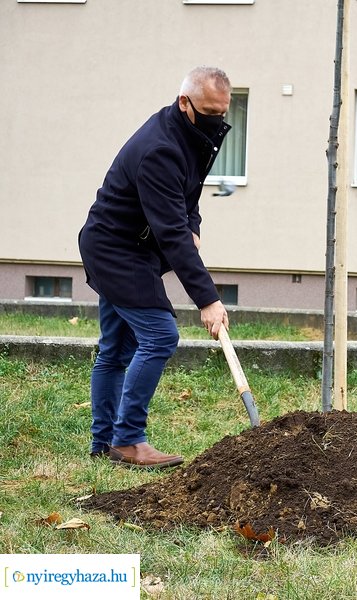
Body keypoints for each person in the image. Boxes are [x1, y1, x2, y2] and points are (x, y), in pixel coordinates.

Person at [78, 66, 233, 469]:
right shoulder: (160, 148)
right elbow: (170, 232)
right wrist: (208, 300)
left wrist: (193, 228)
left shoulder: (193, 135)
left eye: (223, 112)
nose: (218, 120)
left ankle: (105, 442)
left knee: (117, 347)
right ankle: (127, 439)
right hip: (115, 250)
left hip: (134, 247)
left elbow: (188, 198)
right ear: (185, 103)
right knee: (160, 335)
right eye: (210, 111)